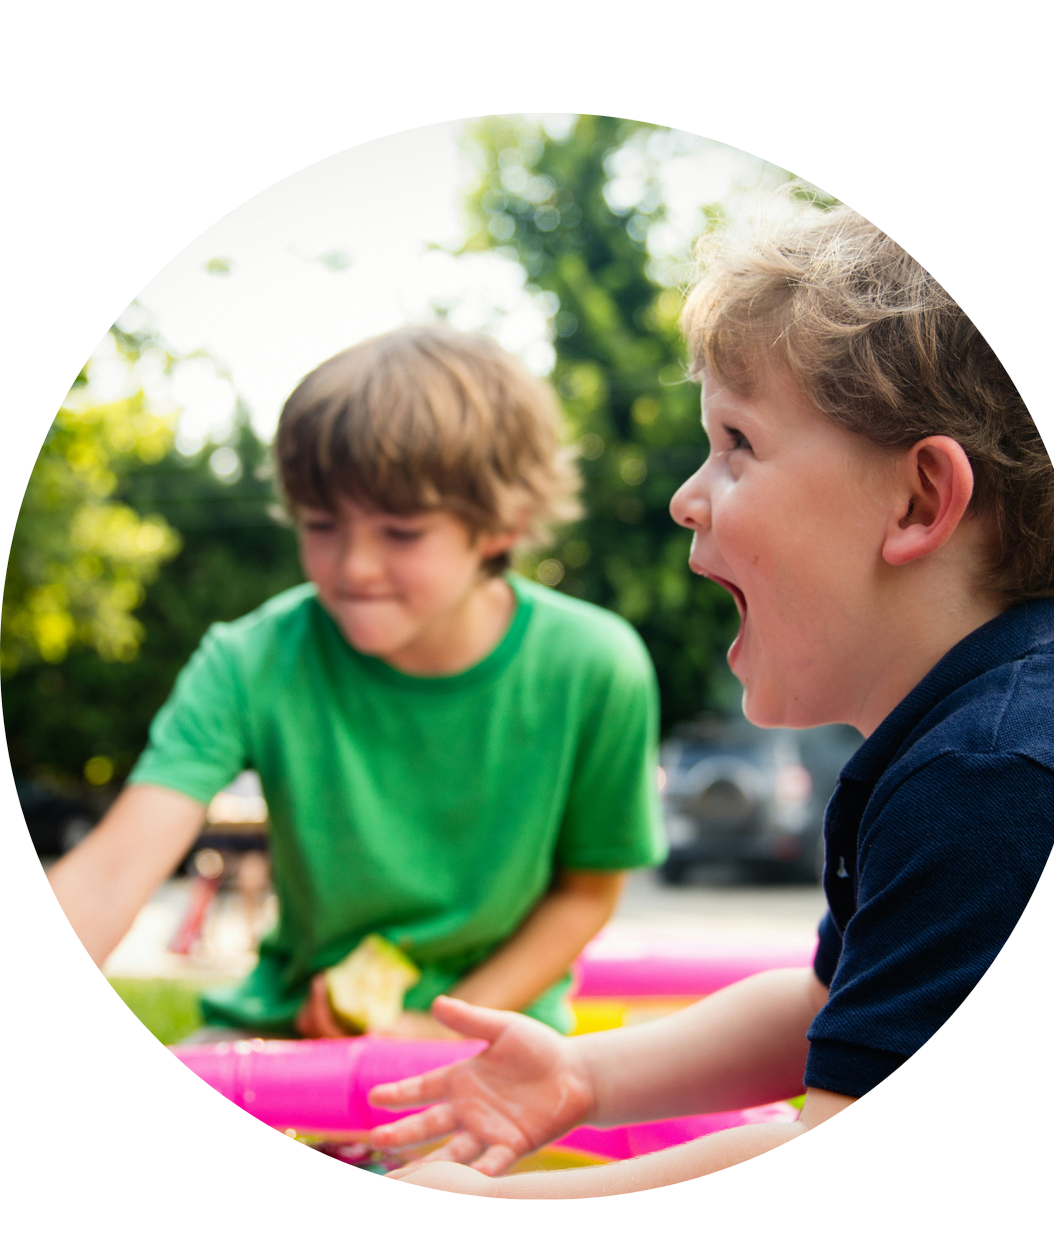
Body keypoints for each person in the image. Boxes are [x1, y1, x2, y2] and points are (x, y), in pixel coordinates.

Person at [366, 205, 1054, 1194]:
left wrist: (504, 1211)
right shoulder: (960, 745)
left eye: (736, 442)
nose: (684, 496)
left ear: (917, 501)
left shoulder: (994, 779)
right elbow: (829, 1006)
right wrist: (582, 1074)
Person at [48, 326, 666, 1040]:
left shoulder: (595, 664)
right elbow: (109, 875)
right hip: (285, 1029)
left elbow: (585, 894)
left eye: (400, 533)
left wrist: (438, 1029)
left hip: (496, 1038)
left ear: (503, 525)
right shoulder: (250, 659)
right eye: (320, 525)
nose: (353, 567)